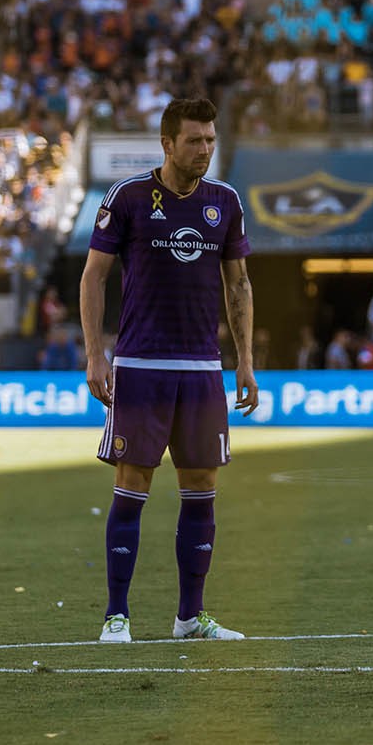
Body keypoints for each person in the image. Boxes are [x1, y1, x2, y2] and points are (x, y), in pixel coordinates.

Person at [80, 98, 257, 644]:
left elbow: (239, 286)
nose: (204, 150)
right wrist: (94, 353)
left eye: (210, 140)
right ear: (167, 144)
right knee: (132, 486)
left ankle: (190, 618)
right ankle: (117, 615)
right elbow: (93, 279)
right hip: (140, 366)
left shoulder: (224, 202)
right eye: (194, 141)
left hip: (203, 369)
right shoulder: (129, 197)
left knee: (202, 488)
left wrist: (246, 360)